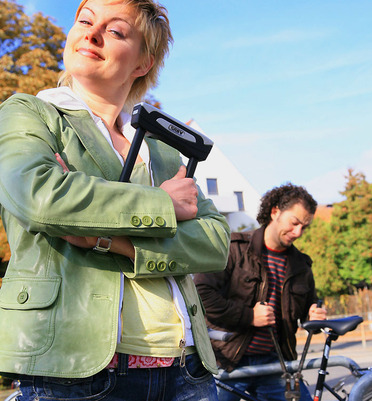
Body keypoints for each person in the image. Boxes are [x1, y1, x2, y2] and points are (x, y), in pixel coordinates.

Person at [0, 1, 230, 400]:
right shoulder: (29, 114)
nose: (90, 34)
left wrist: (108, 239)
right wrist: (161, 205)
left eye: (116, 31)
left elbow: (215, 241)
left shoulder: (162, 149)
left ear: (143, 63)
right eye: (85, 22)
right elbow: (42, 198)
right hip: (78, 372)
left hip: (187, 370)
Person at [194, 183, 327, 401]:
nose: (298, 232)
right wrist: (249, 316)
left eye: (304, 227)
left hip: (276, 362)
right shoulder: (234, 248)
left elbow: (308, 310)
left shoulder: (301, 265)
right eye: (294, 223)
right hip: (226, 360)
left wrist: (315, 316)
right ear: (275, 212)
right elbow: (201, 295)